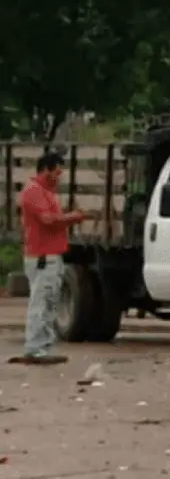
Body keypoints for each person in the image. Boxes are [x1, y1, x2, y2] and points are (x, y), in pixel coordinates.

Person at [13, 152, 88, 364]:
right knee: (41, 302)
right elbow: (48, 220)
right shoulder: (35, 192)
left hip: (49, 256)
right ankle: (35, 347)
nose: (59, 176)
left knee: (49, 302)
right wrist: (73, 217)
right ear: (46, 169)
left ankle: (42, 346)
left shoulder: (46, 192)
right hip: (42, 257)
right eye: (56, 172)